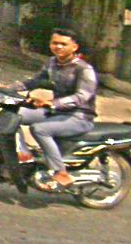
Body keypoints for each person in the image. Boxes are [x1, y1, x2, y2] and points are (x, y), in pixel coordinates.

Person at [11, 27, 98, 189]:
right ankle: (23, 156)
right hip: (58, 111)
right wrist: (9, 88)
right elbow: (35, 81)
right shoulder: (52, 63)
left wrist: (51, 103)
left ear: (74, 47)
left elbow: (82, 96)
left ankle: (60, 172)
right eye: (54, 43)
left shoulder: (84, 69)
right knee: (13, 115)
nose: (58, 47)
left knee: (40, 129)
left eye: (63, 44)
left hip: (80, 116)